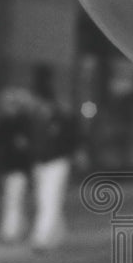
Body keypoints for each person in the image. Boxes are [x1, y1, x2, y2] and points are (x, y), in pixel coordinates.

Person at [29, 88, 78, 252]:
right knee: (46, 199)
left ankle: (41, 238)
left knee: (49, 200)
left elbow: (72, 140)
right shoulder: (35, 120)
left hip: (57, 162)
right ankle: (58, 233)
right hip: (41, 164)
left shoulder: (62, 120)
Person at [0, 87, 36, 243]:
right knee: (14, 199)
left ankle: (10, 232)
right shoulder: (3, 123)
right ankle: (20, 228)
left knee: (13, 199)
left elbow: (26, 146)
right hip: (7, 167)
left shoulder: (23, 123)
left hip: (18, 167)